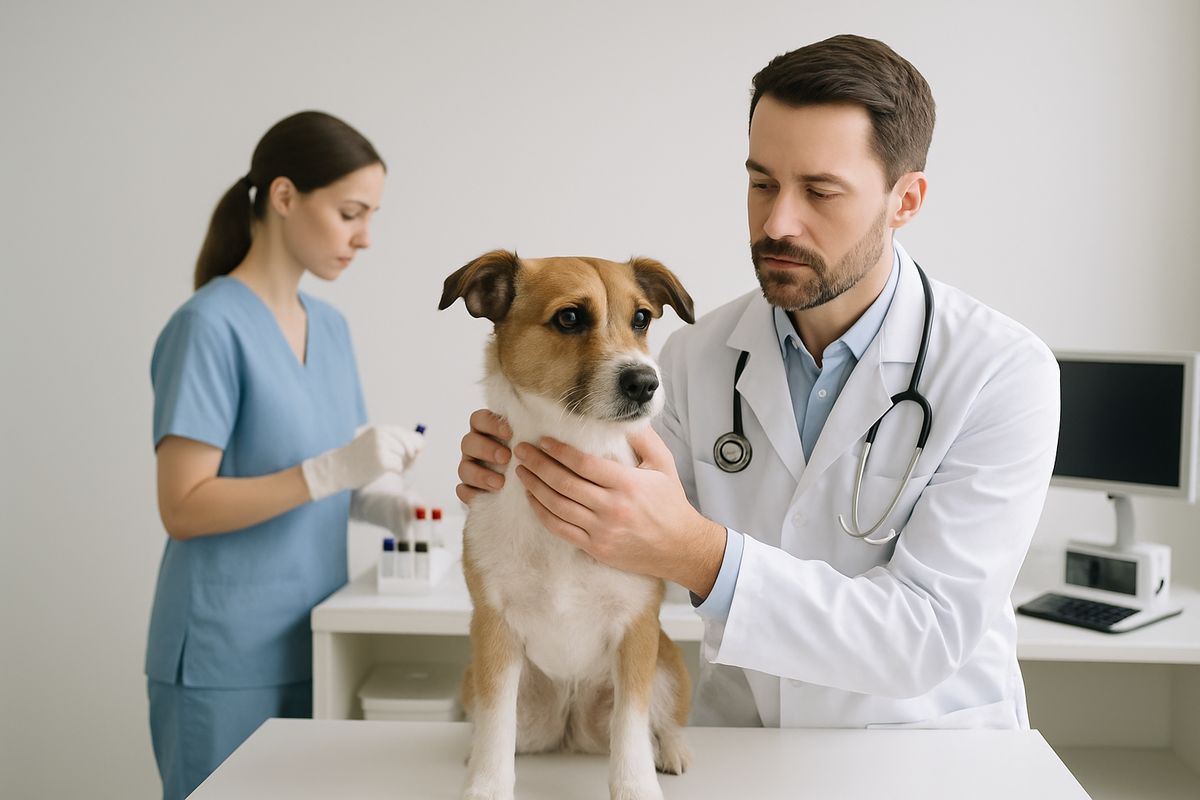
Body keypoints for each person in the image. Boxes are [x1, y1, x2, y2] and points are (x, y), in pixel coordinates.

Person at [457, 35, 1060, 729]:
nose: (776, 223)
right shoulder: (691, 359)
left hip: (922, 752)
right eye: (762, 183)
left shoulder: (1002, 372)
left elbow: (923, 637)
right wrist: (520, 466)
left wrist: (701, 556)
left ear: (906, 200)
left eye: (820, 191)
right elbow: (608, 546)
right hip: (743, 743)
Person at [146, 111, 424, 799]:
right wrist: (331, 471)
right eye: (350, 212)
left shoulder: (330, 329)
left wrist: (376, 497)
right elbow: (183, 506)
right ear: (283, 196)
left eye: (371, 216)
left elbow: (315, 472)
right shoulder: (207, 326)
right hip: (222, 655)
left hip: (316, 638)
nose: (364, 237)